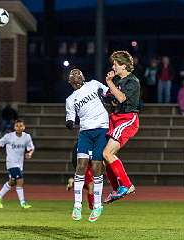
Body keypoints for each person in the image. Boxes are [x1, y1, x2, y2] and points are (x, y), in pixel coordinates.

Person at [65, 68, 109, 222]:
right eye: (73, 75)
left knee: (97, 166)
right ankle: (77, 205)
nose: (76, 75)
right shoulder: (70, 99)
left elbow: (109, 93)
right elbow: (70, 117)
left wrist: (110, 96)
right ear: (70, 81)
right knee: (81, 165)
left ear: (83, 76)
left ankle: (97, 206)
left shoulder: (94, 84)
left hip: (101, 129)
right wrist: (69, 123)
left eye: (78, 73)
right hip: (85, 132)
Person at [102, 50, 140, 204]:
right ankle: (118, 188)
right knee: (106, 158)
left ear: (124, 65)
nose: (113, 66)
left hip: (127, 119)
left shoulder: (132, 81)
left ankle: (127, 185)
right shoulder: (119, 81)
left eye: (115, 64)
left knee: (107, 153)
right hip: (116, 118)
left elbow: (122, 98)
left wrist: (109, 83)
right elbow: (114, 100)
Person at [0, 120, 34, 209]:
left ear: (24, 127)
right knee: (20, 180)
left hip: (20, 163)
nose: (19, 128)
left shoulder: (27, 137)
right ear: (14, 127)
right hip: (11, 162)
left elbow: (31, 148)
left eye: (21, 126)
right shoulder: (8, 136)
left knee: (12, 182)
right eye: (17, 126)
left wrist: (30, 154)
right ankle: (23, 203)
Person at [66, 142, 94, 211]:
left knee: (84, 183)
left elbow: (74, 157)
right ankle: (91, 205)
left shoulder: (80, 142)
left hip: (81, 165)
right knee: (91, 185)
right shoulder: (89, 142)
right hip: (86, 165)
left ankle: (73, 182)